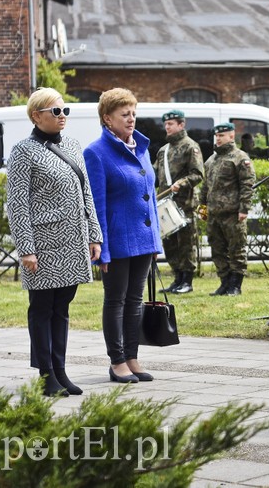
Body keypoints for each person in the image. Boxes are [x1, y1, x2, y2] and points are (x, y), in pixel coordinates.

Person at [5, 88, 103, 397]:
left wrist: (94, 234)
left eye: (65, 111)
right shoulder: (23, 151)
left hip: (73, 242)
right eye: (55, 112)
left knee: (63, 308)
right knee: (42, 308)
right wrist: (26, 248)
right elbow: (17, 203)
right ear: (36, 115)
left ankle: (60, 369)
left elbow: (86, 193)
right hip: (43, 245)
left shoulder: (73, 146)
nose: (62, 117)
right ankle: (46, 373)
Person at [84, 87, 163, 384]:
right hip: (115, 240)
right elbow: (96, 203)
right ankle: (116, 360)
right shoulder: (96, 152)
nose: (131, 119)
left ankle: (132, 357)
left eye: (133, 113)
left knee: (135, 300)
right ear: (107, 118)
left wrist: (156, 240)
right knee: (115, 300)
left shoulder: (140, 147)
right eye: (124, 114)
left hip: (143, 239)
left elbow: (151, 197)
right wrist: (99, 246)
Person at [199, 123, 256, 296]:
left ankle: (235, 285)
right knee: (217, 250)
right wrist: (202, 207)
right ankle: (224, 283)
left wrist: (244, 208)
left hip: (232, 214)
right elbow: (205, 186)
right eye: (216, 135)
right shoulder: (211, 160)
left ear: (231, 136)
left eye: (222, 135)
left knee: (236, 249)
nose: (218, 138)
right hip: (214, 214)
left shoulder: (240, 158)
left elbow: (247, 184)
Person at [153, 110, 204, 294]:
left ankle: (187, 281)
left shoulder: (191, 146)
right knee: (170, 243)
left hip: (184, 204)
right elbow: (155, 175)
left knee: (186, 243)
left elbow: (198, 174)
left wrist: (181, 184)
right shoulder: (163, 150)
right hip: (165, 204)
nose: (167, 127)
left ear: (181, 125)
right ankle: (177, 278)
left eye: (171, 124)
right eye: (166, 124)